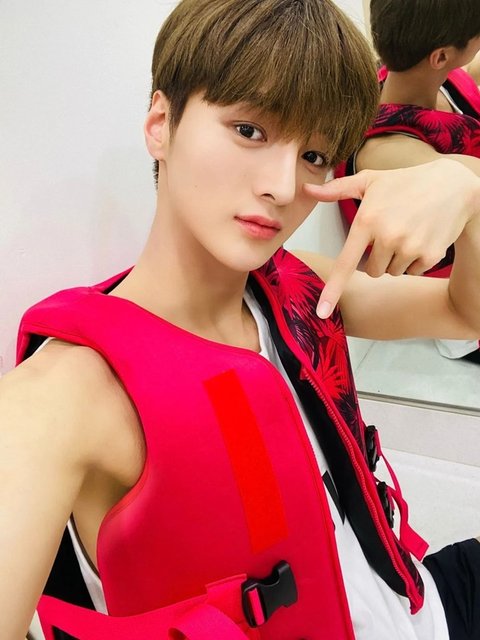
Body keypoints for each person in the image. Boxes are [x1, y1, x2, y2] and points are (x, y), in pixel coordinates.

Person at [1, 1, 480, 639]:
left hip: (417, 606)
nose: (282, 187)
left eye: (314, 155)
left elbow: (463, 312)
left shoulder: (298, 285)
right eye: (250, 130)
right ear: (161, 123)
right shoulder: (62, 399)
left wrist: (466, 183)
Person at [336, 0, 480, 364]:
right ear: (441, 55)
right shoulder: (390, 151)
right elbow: (469, 180)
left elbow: (469, 69)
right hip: (461, 294)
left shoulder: (426, 74)